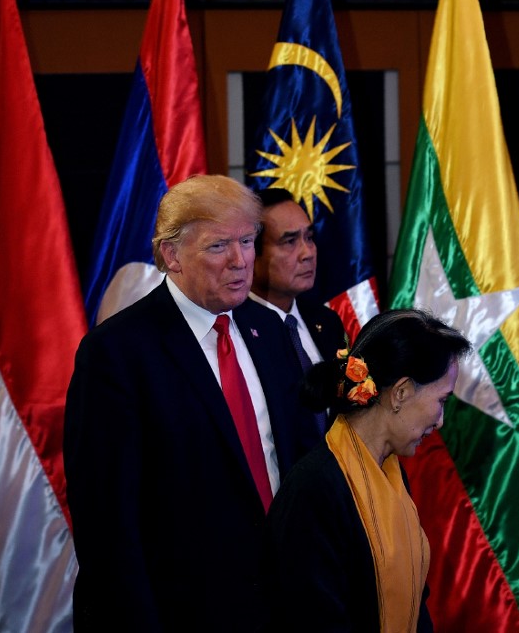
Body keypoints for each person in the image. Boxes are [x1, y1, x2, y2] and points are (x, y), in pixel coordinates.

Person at [64, 174, 320, 631]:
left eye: (247, 240)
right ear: (171, 254)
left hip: (285, 604)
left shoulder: (269, 330)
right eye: (219, 246)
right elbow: (107, 520)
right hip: (181, 610)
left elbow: (301, 467)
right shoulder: (117, 353)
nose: (241, 261)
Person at [262, 308, 472, 632]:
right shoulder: (313, 489)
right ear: (401, 392)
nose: (440, 420)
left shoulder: (390, 471)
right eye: (441, 401)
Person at [250, 188, 346, 430]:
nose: (308, 253)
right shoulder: (235, 330)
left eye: (309, 238)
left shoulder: (327, 321)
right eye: (290, 241)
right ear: (251, 253)